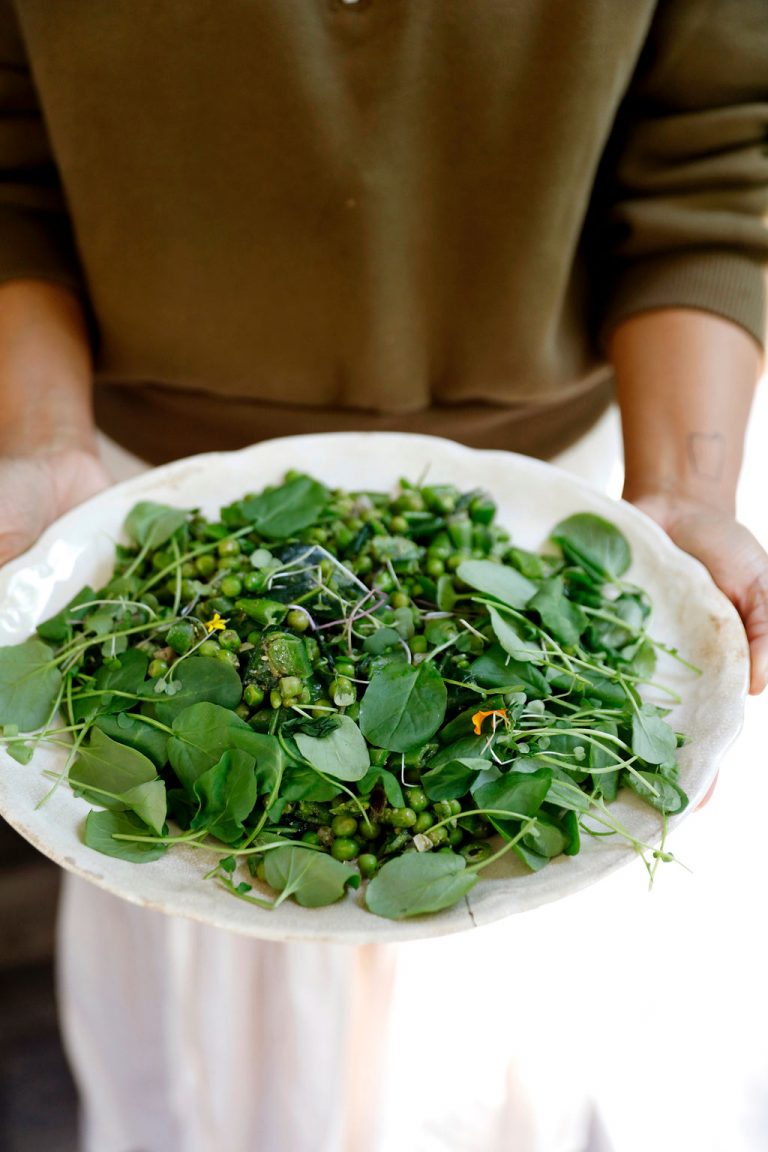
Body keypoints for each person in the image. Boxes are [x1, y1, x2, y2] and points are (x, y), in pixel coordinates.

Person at [1, 2, 766, 1149]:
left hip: (555, 496)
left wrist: (691, 497)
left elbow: (715, 154)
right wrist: (38, 449)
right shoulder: (163, 597)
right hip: (131, 488)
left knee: (540, 1023)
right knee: (207, 973)